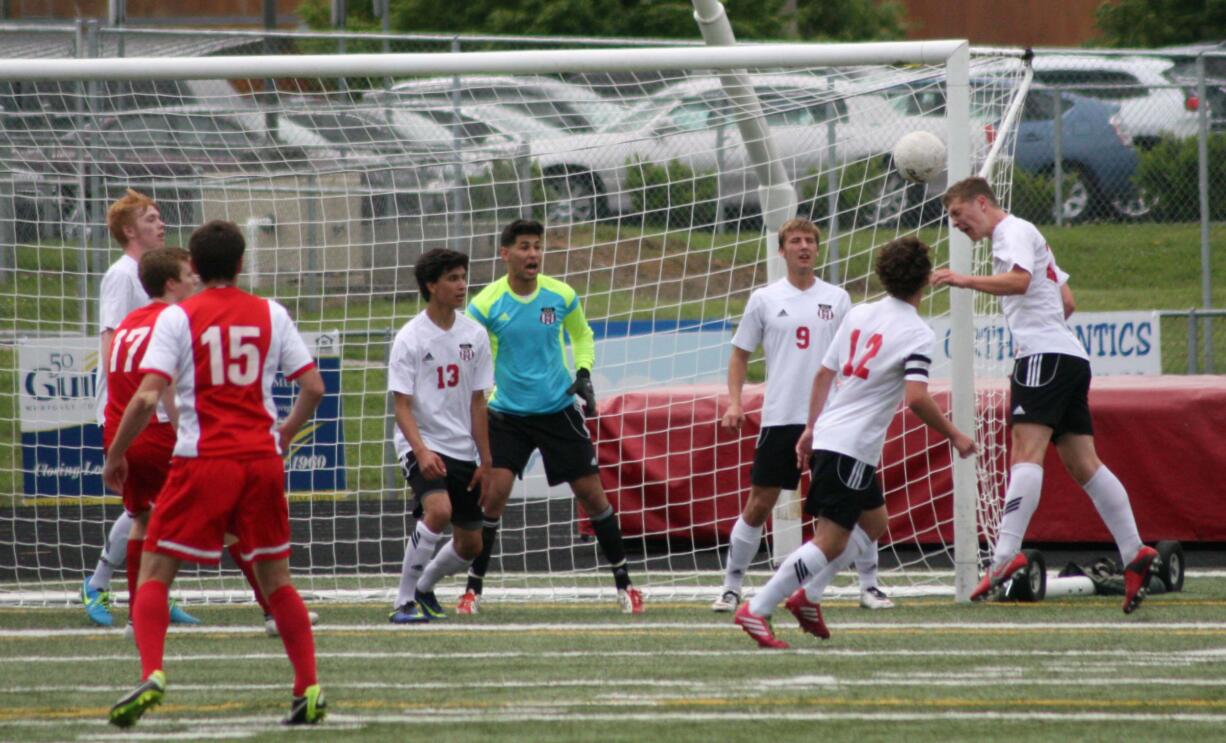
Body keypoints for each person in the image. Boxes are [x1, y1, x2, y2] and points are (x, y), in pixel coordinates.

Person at [103, 221, 327, 727]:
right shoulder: (271, 312)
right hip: (262, 462)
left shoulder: (179, 318)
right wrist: (285, 433)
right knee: (278, 582)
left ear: (196, 269)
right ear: (242, 264)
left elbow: (146, 395)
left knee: (158, 570)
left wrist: (116, 453)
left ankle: (153, 671)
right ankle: (307, 686)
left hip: (204, 460)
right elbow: (312, 386)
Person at [735, 237, 976, 648]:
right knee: (831, 540)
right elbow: (916, 398)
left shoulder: (861, 311)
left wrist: (811, 430)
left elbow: (823, 375)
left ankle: (808, 597)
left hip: (836, 436)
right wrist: (954, 434)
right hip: (850, 446)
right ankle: (758, 608)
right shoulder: (917, 332)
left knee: (875, 523)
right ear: (925, 281)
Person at [933, 176, 1158, 613]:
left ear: (983, 202)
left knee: (1025, 451)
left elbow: (1019, 282)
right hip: (1070, 356)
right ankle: (1133, 552)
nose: (957, 224)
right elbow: (1067, 300)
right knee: (1084, 464)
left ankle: (1003, 557)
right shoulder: (1029, 232)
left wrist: (963, 279)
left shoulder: (1010, 231)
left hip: (1042, 356)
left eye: (959, 214)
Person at [459, 219, 643, 614]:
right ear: (505, 254)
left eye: (538, 247)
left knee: (593, 496)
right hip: (506, 413)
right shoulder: (486, 303)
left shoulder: (560, 295)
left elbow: (582, 335)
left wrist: (583, 371)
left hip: (558, 410)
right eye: (524, 247)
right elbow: (468, 349)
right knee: (493, 496)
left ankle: (626, 586)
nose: (533, 255)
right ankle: (472, 591)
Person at [714, 218, 894, 613]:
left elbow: (852, 359)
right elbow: (740, 355)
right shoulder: (764, 298)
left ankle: (870, 585)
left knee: (858, 505)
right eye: (794, 240)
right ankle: (731, 586)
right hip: (781, 417)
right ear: (782, 251)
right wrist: (734, 401)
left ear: (817, 248)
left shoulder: (838, 298)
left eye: (810, 240)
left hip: (833, 422)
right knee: (760, 503)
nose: (803, 246)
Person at [82, 190, 200, 628]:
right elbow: (113, 340)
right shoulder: (122, 275)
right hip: (132, 406)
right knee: (151, 508)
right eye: (151, 218)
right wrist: (126, 405)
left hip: (153, 405)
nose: (161, 223)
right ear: (130, 230)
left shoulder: (152, 277)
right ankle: (102, 585)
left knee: (155, 507)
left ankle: (150, 591)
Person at [386, 249, 494, 623]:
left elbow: (479, 402)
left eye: (463, 276)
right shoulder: (410, 338)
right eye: (452, 278)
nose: (462, 285)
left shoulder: (475, 335)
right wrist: (421, 450)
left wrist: (485, 460)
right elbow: (402, 406)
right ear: (431, 286)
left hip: (462, 447)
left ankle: (424, 585)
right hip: (422, 444)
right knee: (438, 510)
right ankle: (402, 602)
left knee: (470, 544)